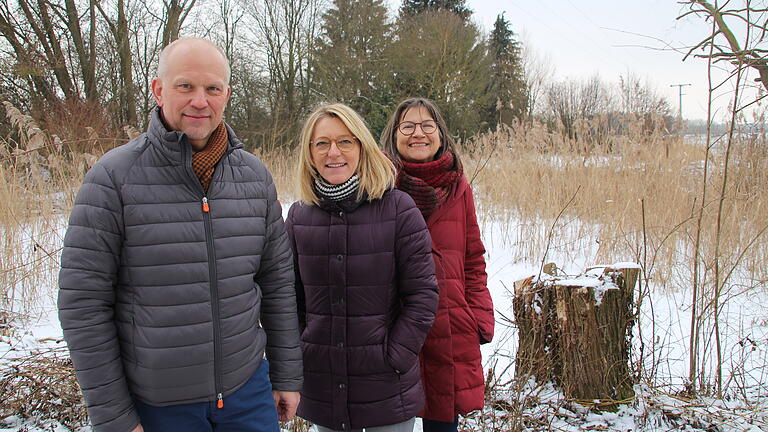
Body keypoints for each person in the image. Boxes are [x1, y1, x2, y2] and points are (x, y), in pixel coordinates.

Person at [58, 37, 302, 432]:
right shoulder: (113, 179)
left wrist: (287, 373)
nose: (200, 101)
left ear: (227, 95)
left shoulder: (254, 177)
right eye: (185, 86)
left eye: (212, 88)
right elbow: (83, 306)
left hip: (247, 394)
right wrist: (113, 416)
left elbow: (276, 283)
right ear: (158, 89)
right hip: (159, 406)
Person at [285, 103, 439, 432]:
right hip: (324, 386)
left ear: (362, 147)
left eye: (345, 141)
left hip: (387, 386)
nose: (333, 152)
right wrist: (304, 348)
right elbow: (288, 297)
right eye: (322, 143)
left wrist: (395, 355)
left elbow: (422, 295)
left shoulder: (398, 208)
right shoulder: (299, 217)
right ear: (310, 153)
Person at [380, 97, 495, 432]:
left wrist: (478, 316)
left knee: (442, 423)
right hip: (392, 327)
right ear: (394, 135)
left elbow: (473, 259)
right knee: (388, 421)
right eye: (408, 126)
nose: (419, 133)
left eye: (427, 125)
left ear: (441, 134)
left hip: (448, 325)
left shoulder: (458, 188)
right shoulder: (377, 185)